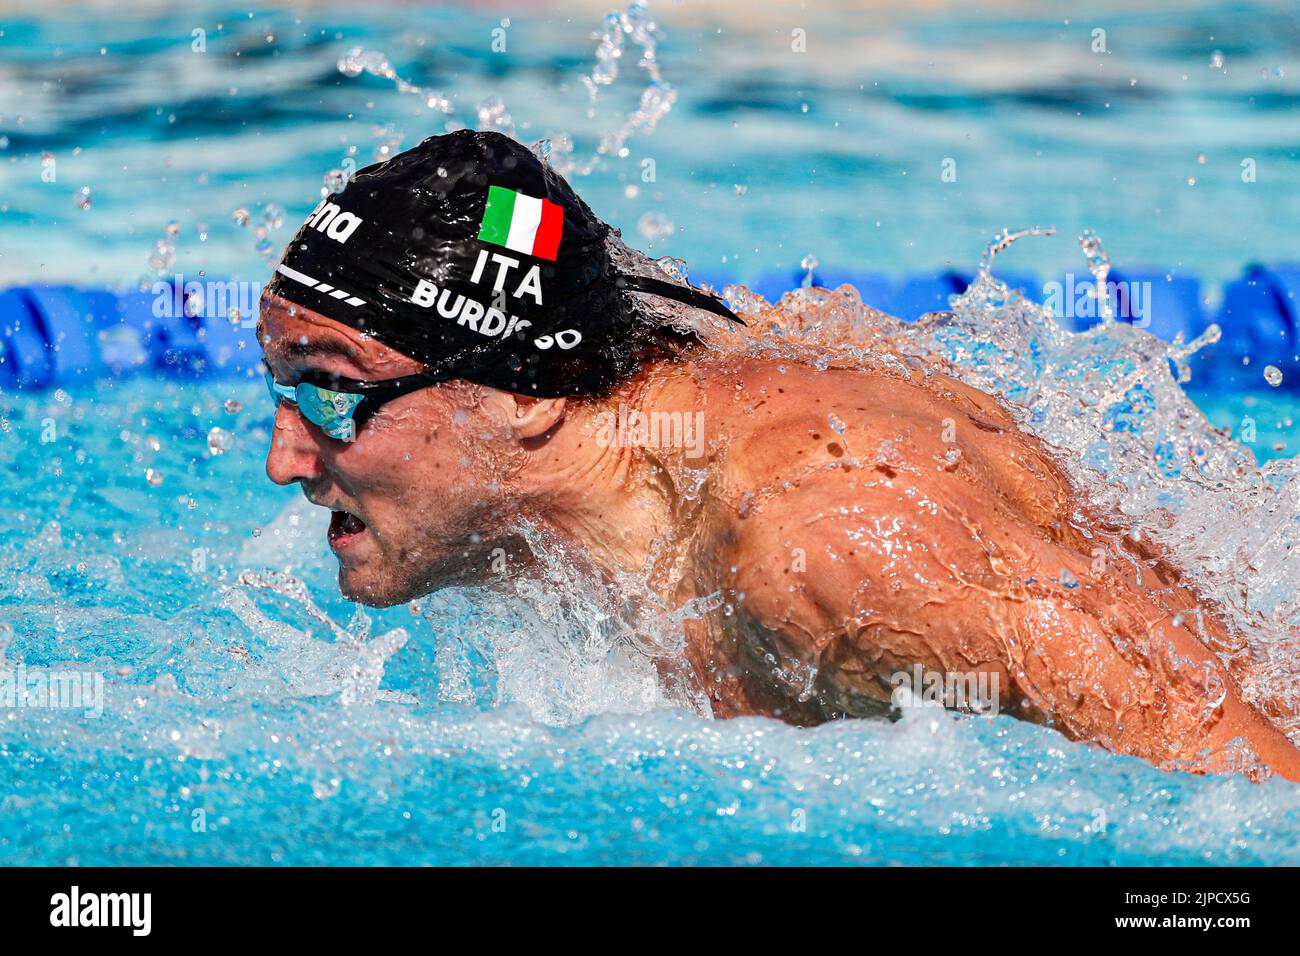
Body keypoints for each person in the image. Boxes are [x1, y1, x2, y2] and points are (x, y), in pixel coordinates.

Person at [259, 129, 1300, 781]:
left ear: (522, 393)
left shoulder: (836, 549)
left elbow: (1250, 787)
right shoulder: (598, 468)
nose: (286, 459)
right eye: (278, 391)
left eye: (330, 392)